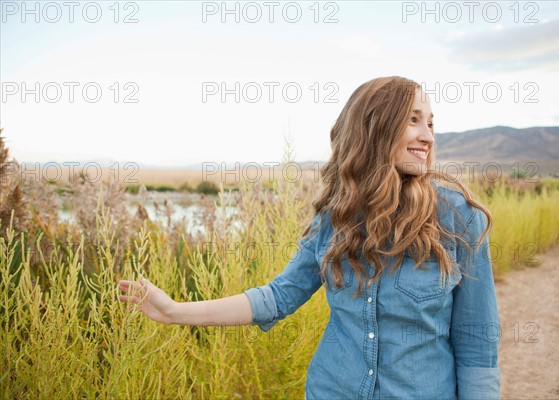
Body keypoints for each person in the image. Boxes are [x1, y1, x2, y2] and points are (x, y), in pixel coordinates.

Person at [118, 76, 500, 400]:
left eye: (431, 123)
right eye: (413, 121)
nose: (427, 136)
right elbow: (278, 296)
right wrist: (175, 311)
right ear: (374, 128)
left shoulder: (457, 218)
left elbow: (476, 343)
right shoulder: (337, 217)